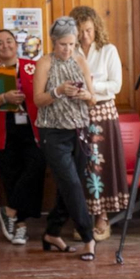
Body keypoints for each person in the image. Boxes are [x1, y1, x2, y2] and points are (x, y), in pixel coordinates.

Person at [32, 16, 97, 256]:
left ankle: (52, 233)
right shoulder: (44, 63)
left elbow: (93, 98)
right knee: (71, 184)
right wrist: (58, 91)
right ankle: (89, 238)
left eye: (71, 44)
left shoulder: (80, 60)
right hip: (53, 132)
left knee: (70, 186)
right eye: (63, 44)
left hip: (80, 131)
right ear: (53, 42)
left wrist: (84, 96)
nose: (68, 49)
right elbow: (38, 100)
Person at [0, 28, 42, 245]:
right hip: (4, 130)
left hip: (33, 129)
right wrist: (4, 96)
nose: (5, 46)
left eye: (9, 41)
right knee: (11, 176)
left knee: (36, 167)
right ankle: (20, 226)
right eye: (0, 43)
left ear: (16, 44)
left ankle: (10, 210)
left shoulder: (34, 67)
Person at [70, 4, 127, 241]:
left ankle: (102, 217)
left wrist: (91, 86)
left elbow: (116, 85)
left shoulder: (108, 50)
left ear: (96, 29)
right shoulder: (69, 51)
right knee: (81, 168)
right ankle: (82, 219)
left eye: (89, 30)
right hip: (77, 114)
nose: (85, 36)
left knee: (101, 167)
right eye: (80, 31)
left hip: (103, 114)